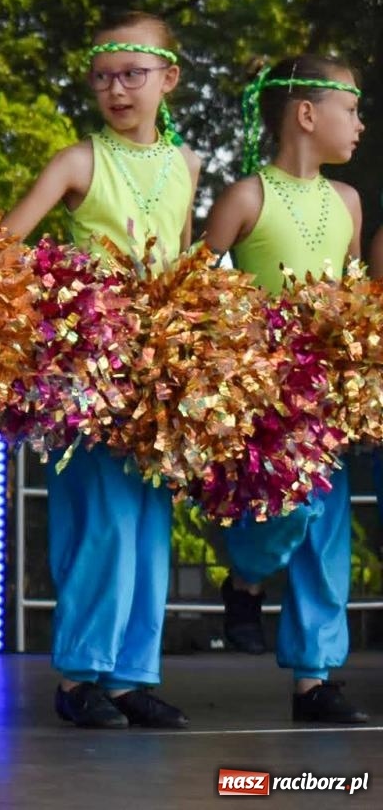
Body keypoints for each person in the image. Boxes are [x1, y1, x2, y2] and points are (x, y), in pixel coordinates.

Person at [2, 10, 200, 730]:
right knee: (103, 520)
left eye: (133, 74)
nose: (117, 89)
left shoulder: (188, 165)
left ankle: (130, 677)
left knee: (149, 524)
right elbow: (3, 246)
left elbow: (183, 261)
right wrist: (64, 308)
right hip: (89, 373)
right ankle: (79, 674)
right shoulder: (77, 162)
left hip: (158, 373)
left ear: (168, 79)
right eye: (103, 77)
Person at [203, 54, 369, 724]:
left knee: (327, 535)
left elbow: (353, 299)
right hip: (267, 403)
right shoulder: (246, 198)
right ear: (306, 114)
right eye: (350, 110)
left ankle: (314, 678)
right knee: (286, 514)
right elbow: (194, 293)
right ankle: (245, 577)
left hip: (329, 399)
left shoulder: (348, 201)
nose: (359, 124)